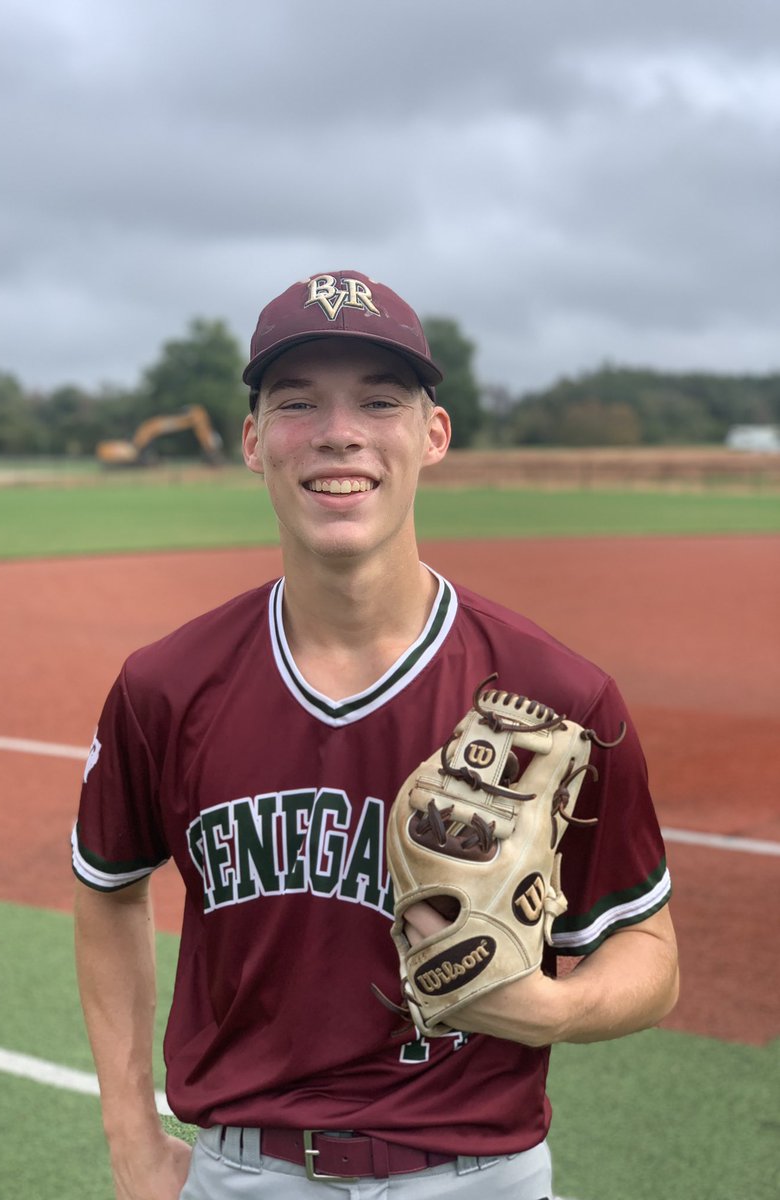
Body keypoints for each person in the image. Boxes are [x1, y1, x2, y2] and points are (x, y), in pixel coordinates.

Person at [73, 270, 679, 1199]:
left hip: (481, 1174)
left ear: (433, 434)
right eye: (298, 402)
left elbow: (650, 954)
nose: (338, 432)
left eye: (380, 401)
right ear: (252, 440)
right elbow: (109, 891)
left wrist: (548, 1007)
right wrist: (129, 1132)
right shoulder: (166, 687)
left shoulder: (555, 697)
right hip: (244, 1171)